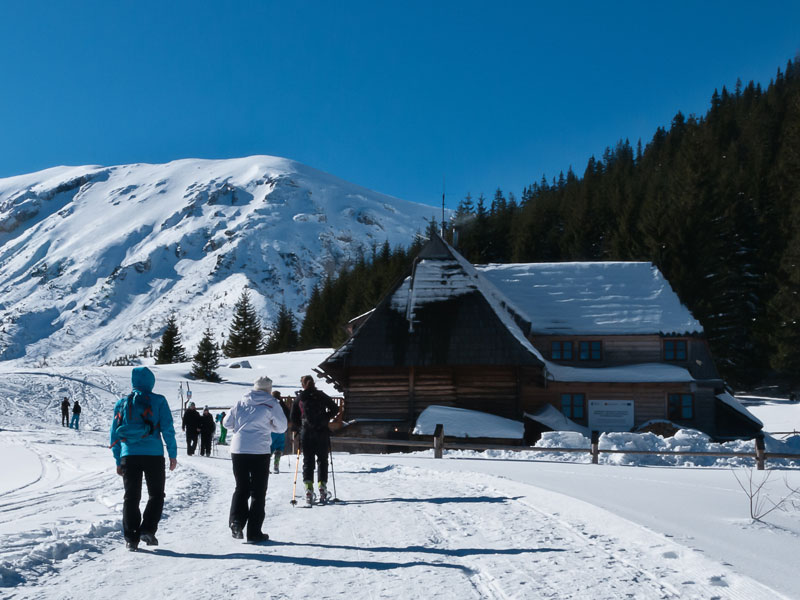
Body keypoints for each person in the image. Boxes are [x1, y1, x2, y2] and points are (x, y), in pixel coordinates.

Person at [109, 366, 177, 551]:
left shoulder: (122, 403)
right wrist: (172, 454)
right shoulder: (158, 401)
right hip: (153, 455)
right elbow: (168, 429)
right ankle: (147, 529)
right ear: (151, 382)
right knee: (156, 495)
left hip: (129, 455)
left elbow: (114, 435)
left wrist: (118, 460)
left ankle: (131, 538)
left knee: (131, 497)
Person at [223, 376, 287, 543]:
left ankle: (236, 522)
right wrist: (269, 426)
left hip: (238, 449)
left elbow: (226, 423)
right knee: (258, 492)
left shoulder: (241, 402)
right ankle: (254, 532)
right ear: (269, 389)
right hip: (259, 449)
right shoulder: (272, 403)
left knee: (241, 487)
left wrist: (240, 426)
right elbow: (282, 427)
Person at [290, 375, 339, 505]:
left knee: (308, 461)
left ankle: (308, 490)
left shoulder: (300, 398)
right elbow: (335, 408)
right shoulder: (321, 395)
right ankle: (322, 487)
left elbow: (293, 416)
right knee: (323, 460)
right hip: (322, 431)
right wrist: (325, 418)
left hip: (306, 433)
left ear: (302, 384)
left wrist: (300, 427)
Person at [270, 390, 291, 474]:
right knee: (279, 448)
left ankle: (266, 466)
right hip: (282, 430)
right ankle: (276, 465)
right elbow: (289, 415)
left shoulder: (271, 404)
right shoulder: (283, 405)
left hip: (271, 430)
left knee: (269, 448)